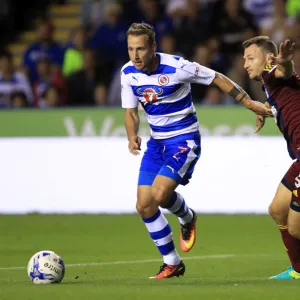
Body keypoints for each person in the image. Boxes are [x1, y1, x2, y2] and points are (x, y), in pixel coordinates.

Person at [121, 23, 271, 279]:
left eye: (141, 49)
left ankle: (187, 217)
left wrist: (249, 103)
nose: (135, 56)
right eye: (131, 49)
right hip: (157, 144)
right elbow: (131, 112)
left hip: (184, 140)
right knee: (144, 205)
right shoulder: (127, 73)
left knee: (158, 194)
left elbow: (218, 78)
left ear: (153, 48)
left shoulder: (178, 67)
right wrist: (132, 135)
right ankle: (172, 263)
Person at [243, 36, 300, 279]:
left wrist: (285, 61)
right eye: (244, 59)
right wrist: (267, 110)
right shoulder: (272, 88)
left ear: (268, 60)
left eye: (250, 58)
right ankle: (298, 270)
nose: (245, 64)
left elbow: (283, 71)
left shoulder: (271, 72)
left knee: (297, 228)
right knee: (277, 209)